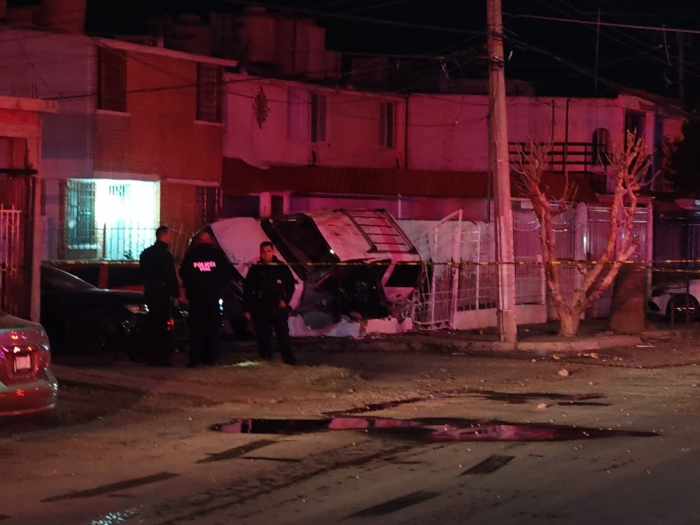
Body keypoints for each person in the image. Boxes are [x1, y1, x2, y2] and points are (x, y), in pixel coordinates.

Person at [179, 231, 229, 367]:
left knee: (196, 330)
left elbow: (183, 273)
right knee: (213, 329)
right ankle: (211, 358)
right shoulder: (217, 256)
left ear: (198, 241)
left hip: (196, 299)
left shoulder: (191, 255)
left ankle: (195, 358)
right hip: (212, 299)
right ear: (210, 241)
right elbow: (226, 274)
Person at [243, 242, 297, 365]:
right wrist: (247, 308)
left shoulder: (281, 267)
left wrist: (286, 300)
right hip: (260, 306)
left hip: (277, 306)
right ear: (260, 253)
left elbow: (290, 285)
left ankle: (289, 360)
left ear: (273, 252)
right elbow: (247, 290)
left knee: (283, 334)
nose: (266, 254)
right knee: (263, 335)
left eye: (268, 251)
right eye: (263, 251)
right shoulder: (255, 269)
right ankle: (266, 360)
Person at [139, 226, 179, 367]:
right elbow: (170, 276)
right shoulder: (165, 256)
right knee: (162, 326)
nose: (171, 239)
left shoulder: (145, 254)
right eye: (170, 236)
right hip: (162, 295)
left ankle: (152, 356)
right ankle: (161, 357)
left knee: (152, 324)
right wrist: (174, 294)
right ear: (164, 236)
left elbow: (143, 275)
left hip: (150, 293)